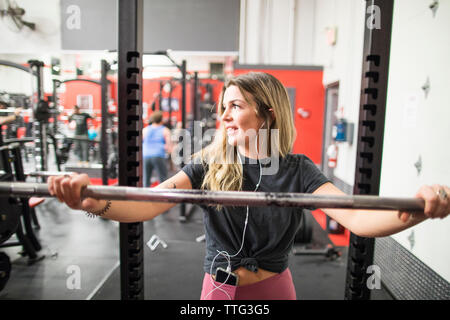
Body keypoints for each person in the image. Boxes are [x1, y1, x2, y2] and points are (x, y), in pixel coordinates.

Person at [47, 72, 449, 300]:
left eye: (235, 106)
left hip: (275, 289)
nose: (223, 116)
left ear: (268, 114)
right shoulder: (207, 163)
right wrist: (90, 199)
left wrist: (411, 213)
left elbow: (356, 218)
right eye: (222, 107)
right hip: (219, 288)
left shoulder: (298, 170)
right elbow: (149, 204)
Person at [142, 110, 173, 187]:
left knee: (146, 180)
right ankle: (162, 198)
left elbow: (141, 142)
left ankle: (144, 198)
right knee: (163, 179)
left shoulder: (145, 130)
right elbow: (169, 147)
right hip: (158, 155)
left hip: (146, 155)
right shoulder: (165, 130)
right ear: (161, 119)